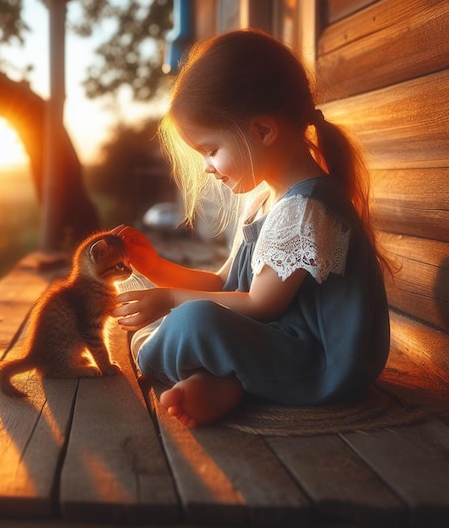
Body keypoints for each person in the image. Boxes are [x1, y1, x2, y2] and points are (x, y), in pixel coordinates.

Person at [112, 29, 391, 428]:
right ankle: (225, 387)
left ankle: (198, 369)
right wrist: (152, 266)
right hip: (276, 344)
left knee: (191, 322)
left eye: (211, 150)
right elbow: (223, 284)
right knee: (187, 318)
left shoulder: (306, 209)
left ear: (262, 131)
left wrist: (171, 300)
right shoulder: (265, 199)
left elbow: (261, 304)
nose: (207, 166)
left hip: (319, 362)